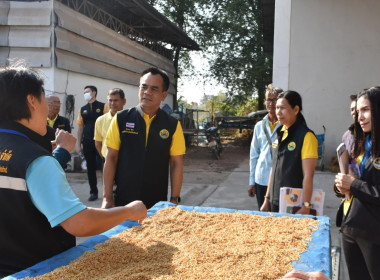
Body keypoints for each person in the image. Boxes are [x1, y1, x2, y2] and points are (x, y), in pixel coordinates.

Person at [0, 65, 147, 278]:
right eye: (44, 99)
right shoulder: (36, 160)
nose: (47, 107)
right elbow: (79, 222)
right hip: (36, 269)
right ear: (32, 101)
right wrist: (129, 211)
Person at [102, 67, 186, 209]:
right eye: (144, 87)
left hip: (156, 202)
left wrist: (174, 200)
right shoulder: (121, 119)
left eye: (154, 89)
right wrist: (107, 198)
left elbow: (176, 163)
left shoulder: (172, 125)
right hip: (123, 200)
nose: (147, 92)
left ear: (163, 95)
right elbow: (111, 158)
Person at [335, 86, 380, 280]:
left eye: (366, 110)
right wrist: (341, 185)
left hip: (374, 234)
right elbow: (357, 179)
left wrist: (353, 185)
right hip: (351, 228)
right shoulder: (360, 142)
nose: (359, 116)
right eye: (358, 111)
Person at [260, 90, 318, 214]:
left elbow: (309, 175)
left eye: (283, 108)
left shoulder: (306, 136)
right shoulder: (280, 133)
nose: (278, 112)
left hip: (293, 204)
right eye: (277, 108)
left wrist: (306, 206)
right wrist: (267, 198)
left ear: (296, 110)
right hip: (274, 202)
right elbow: (273, 168)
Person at [248, 84, 283, 209]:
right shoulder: (259, 126)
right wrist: (251, 182)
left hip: (280, 180)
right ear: (265, 101)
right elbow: (254, 154)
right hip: (261, 179)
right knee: (263, 216)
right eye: (269, 99)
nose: (271, 103)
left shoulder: (286, 125)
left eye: (275, 100)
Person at [77, 85, 108, 201]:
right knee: (90, 168)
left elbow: (108, 123)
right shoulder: (82, 109)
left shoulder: (103, 106)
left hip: (101, 141)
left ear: (94, 93)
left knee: (104, 166)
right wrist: (79, 145)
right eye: (84, 92)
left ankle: (108, 192)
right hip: (88, 141)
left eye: (87, 92)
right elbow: (80, 128)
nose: (85, 94)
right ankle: (93, 192)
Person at [94, 88, 126, 159]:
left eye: (116, 100)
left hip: (125, 160)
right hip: (107, 159)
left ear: (124, 101)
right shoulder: (100, 120)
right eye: (110, 100)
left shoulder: (130, 119)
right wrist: (104, 157)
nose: (112, 103)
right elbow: (98, 143)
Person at [341, 94, 357, 160]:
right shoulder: (347, 136)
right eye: (352, 109)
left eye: (356, 109)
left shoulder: (373, 135)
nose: (354, 112)